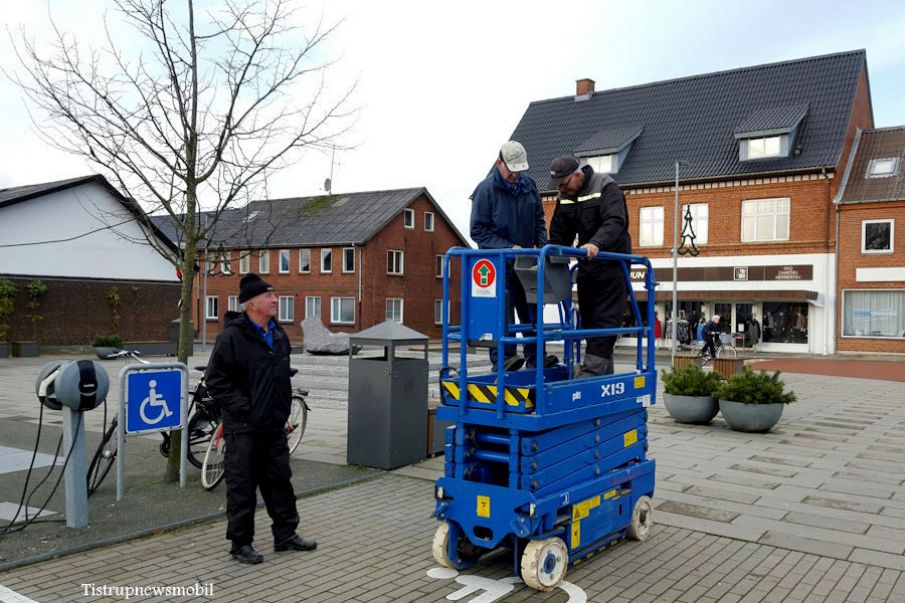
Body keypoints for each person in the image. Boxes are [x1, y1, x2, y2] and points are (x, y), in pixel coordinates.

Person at [205, 273, 316, 564]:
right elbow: (215, 381)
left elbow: (280, 376)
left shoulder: (278, 335)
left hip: (274, 427)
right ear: (252, 303)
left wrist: (281, 411)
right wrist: (245, 407)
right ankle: (240, 544)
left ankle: (286, 535)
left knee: (280, 483)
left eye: (274, 295)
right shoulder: (232, 337)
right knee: (242, 488)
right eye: (269, 296)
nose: (275, 299)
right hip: (243, 429)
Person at [470, 140, 555, 371]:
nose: (515, 176)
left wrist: (542, 247)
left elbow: (539, 221)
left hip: (527, 261)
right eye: (511, 172)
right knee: (502, 310)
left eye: (519, 172)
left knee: (531, 309)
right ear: (500, 163)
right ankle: (505, 360)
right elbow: (477, 231)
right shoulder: (485, 190)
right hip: (498, 264)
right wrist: (509, 247)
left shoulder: (530, 186)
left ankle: (537, 356)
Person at [548, 156, 631, 376]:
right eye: (558, 186)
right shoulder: (565, 195)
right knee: (589, 321)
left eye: (564, 183)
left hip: (613, 263)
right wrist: (549, 255)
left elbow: (615, 221)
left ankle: (592, 373)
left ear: (578, 174)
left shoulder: (605, 186)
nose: (562, 189)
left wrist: (596, 243)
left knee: (605, 322)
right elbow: (559, 232)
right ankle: (603, 376)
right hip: (588, 265)